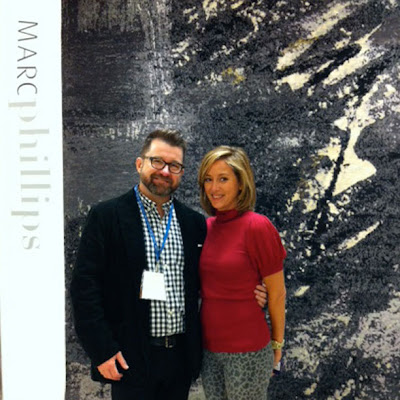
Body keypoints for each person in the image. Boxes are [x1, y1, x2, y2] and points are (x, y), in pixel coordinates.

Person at [70, 130, 267, 400]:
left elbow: (213, 275)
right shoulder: (106, 217)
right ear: (140, 164)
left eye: (174, 166)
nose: (165, 171)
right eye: (157, 161)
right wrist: (101, 350)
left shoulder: (193, 223)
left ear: (181, 173)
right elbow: (84, 289)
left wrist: (252, 291)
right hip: (129, 357)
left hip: (180, 360)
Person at [198, 145, 287, 400]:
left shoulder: (258, 227)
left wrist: (277, 345)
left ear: (240, 183)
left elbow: (277, 294)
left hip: (247, 350)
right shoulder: (205, 228)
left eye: (223, 179)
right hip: (208, 351)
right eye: (208, 179)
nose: (214, 188)